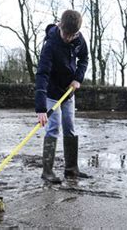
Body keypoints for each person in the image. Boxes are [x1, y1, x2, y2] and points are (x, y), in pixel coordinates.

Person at [35, 9, 91, 184]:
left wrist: (77, 79)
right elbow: (42, 74)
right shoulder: (50, 45)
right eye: (66, 34)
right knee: (53, 127)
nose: (68, 38)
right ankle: (47, 172)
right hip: (52, 91)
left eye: (72, 35)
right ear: (60, 26)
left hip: (68, 92)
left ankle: (71, 169)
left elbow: (84, 59)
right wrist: (41, 108)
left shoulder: (79, 40)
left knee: (70, 127)